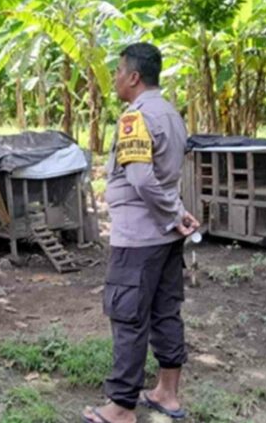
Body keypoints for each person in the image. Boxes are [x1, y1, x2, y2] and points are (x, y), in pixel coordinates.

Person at [82, 43, 200, 423]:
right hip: (166, 238)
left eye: (118, 71)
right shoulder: (172, 113)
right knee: (166, 310)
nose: (114, 78)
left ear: (133, 77)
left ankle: (120, 407)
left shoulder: (135, 117)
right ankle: (167, 393)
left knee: (128, 316)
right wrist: (178, 214)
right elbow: (168, 178)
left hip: (138, 239)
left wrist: (172, 214)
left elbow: (142, 180)